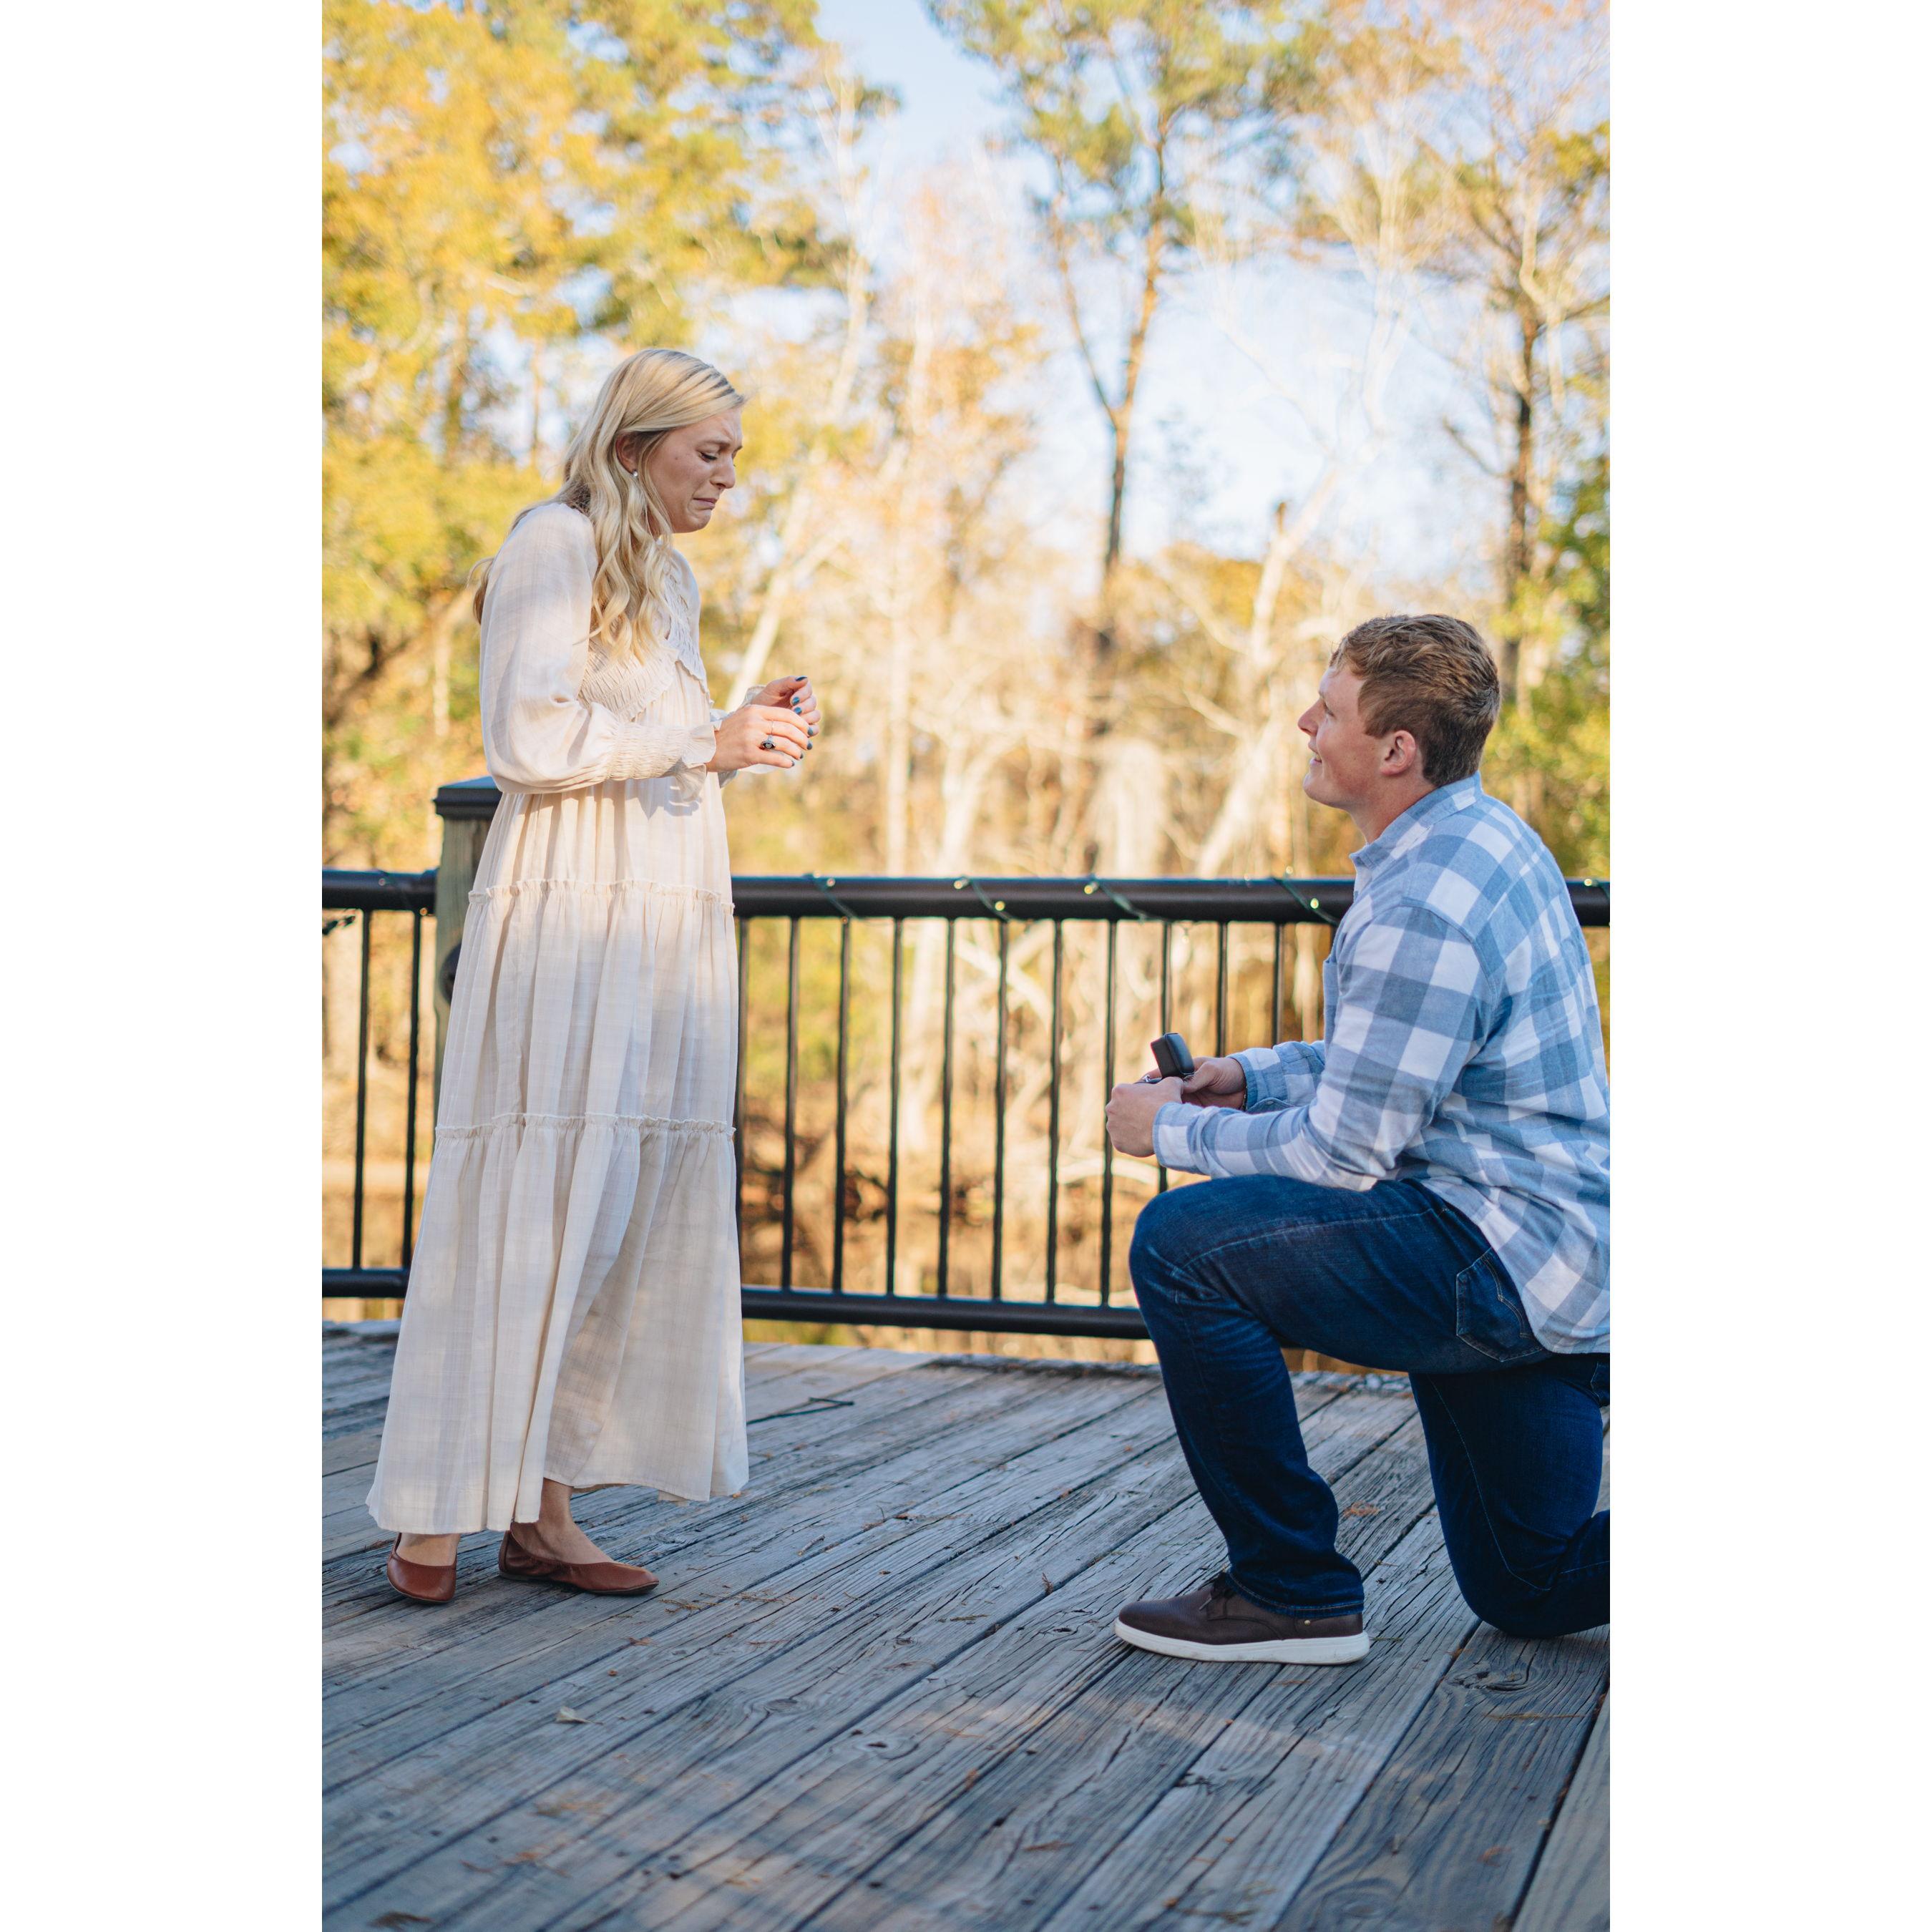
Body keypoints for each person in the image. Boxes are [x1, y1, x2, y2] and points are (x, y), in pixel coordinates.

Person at [368, 348, 822, 1604]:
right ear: (636, 447)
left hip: (663, 920)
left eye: (735, 456)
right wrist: (701, 734)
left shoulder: (664, 576)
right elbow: (525, 736)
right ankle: (432, 1515)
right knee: (528, 1195)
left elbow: (643, 742)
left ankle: (546, 1511)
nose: (729, 477)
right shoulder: (551, 544)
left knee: (614, 1205)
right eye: (709, 452)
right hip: (568, 912)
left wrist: (733, 737)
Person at [1103, 614, 1608, 1665]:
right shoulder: (1481, 839)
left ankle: (1291, 1592)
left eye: (1328, 710)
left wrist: (1172, 1129)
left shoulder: (1425, 900)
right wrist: (1248, 1077)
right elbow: (1402, 1062)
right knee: (1533, 1583)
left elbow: (1344, 1158)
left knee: (1184, 1249)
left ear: (1395, 751)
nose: (1304, 722)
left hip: (1494, 1255)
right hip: (1550, 1260)